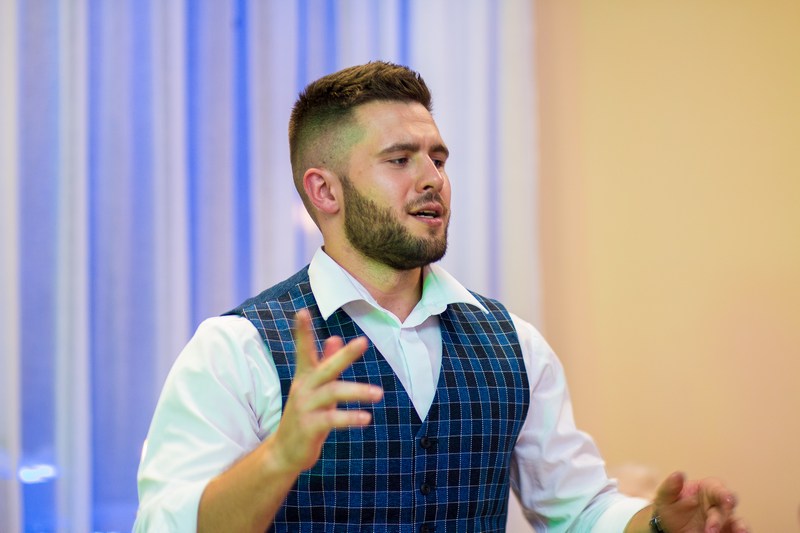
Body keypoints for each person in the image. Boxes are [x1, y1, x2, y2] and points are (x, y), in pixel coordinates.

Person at [134, 61, 749, 533]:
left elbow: (579, 510)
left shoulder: (514, 343)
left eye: (438, 158)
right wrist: (279, 458)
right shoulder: (236, 350)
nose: (433, 179)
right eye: (400, 159)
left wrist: (660, 524)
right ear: (325, 191)